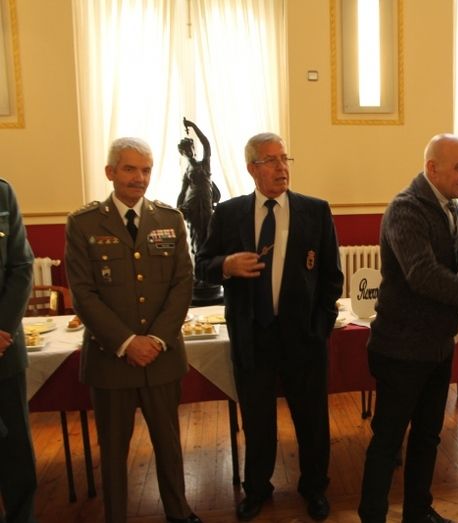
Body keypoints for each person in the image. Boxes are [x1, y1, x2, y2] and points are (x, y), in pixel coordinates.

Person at [195, 133, 343, 522]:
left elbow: (332, 277)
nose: (281, 168)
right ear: (251, 169)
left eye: (285, 159)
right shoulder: (228, 214)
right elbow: (202, 263)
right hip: (252, 335)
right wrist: (226, 265)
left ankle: (314, 488)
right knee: (257, 421)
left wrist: (320, 327)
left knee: (312, 421)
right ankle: (257, 489)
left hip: (304, 337)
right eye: (270, 161)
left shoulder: (315, 210)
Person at [358, 134, 458, 523]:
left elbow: (440, 269)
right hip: (400, 348)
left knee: (428, 436)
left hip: (436, 344)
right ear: (432, 168)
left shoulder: (447, 204)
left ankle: (418, 511)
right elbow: (422, 275)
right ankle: (373, 516)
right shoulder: (406, 209)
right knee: (388, 442)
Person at [65, 138, 200, 523]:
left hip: (162, 356)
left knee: (170, 446)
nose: (139, 178)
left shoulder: (169, 219)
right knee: (113, 450)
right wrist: (127, 343)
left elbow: (182, 285)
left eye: (145, 170)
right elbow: (83, 294)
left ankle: (179, 511)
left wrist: (155, 339)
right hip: (112, 360)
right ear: (110, 172)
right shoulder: (83, 223)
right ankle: (116, 517)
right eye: (129, 169)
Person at [0, 179, 36, 523]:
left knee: (15, 450)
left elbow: (22, 266)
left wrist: (1, 329)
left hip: (3, 349)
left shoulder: (2, 193)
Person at [176, 118, 221, 256]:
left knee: (209, 236)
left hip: (206, 204)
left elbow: (206, 143)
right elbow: (182, 192)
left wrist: (193, 125)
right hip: (192, 206)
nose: (188, 151)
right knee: (195, 237)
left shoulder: (204, 164)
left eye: (190, 148)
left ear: (194, 149)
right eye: (185, 150)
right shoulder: (187, 172)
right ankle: (199, 271)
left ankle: (207, 269)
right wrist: (178, 209)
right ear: (182, 153)